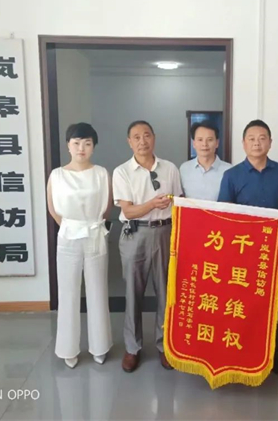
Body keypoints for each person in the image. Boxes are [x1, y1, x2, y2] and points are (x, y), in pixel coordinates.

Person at [217, 119, 278, 375]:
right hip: (242, 253)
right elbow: (224, 215)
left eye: (262, 138)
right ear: (243, 143)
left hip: (274, 251)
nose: (257, 143)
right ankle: (241, 352)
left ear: (270, 142)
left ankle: (272, 354)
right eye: (251, 138)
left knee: (271, 304)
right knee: (242, 304)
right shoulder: (231, 175)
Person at [113, 120, 183, 373]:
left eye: (146, 135)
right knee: (133, 292)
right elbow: (128, 211)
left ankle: (165, 346)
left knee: (166, 292)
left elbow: (179, 202)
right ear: (129, 142)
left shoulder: (170, 168)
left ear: (154, 138)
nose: (142, 141)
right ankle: (133, 348)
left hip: (166, 233)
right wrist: (152, 204)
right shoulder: (122, 172)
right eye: (136, 137)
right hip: (135, 235)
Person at [46, 122, 113, 369]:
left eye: (87, 143)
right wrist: (70, 226)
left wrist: (90, 224)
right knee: (68, 293)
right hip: (68, 236)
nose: (81, 148)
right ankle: (68, 348)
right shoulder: (57, 175)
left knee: (97, 290)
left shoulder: (101, 173)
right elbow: (53, 208)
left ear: (93, 146)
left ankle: (100, 346)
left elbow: (107, 207)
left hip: (94, 233)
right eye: (76, 143)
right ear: (68, 145)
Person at [180, 120, 232, 200]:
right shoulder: (184, 169)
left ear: (217, 143)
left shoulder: (229, 170)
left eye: (210, 140)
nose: (204, 144)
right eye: (200, 140)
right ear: (194, 143)